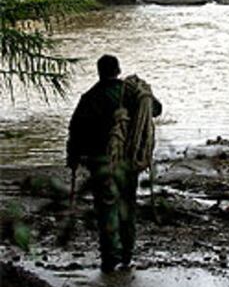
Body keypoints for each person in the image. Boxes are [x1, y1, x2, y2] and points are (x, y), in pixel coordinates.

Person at [66, 54, 162, 272]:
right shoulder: (132, 93)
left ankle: (110, 257)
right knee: (127, 204)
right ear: (119, 70)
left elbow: (76, 130)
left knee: (107, 208)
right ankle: (127, 254)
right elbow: (155, 109)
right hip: (128, 161)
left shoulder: (91, 97)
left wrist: (72, 158)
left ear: (99, 72)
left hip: (101, 163)